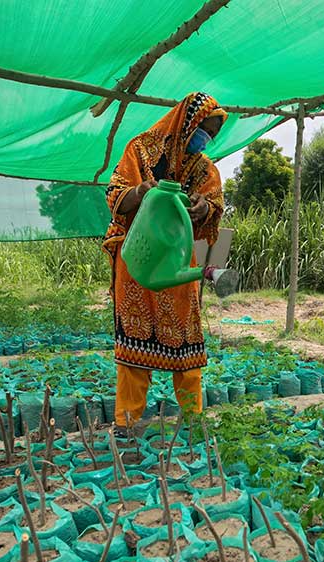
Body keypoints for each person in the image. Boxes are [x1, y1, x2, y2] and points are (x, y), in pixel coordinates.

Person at [102, 92, 227, 436]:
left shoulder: (204, 168)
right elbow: (114, 194)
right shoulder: (140, 150)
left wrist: (204, 209)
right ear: (187, 122)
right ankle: (126, 423)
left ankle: (193, 418)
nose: (207, 139)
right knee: (134, 344)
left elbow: (214, 209)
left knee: (185, 343)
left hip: (177, 265)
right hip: (139, 258)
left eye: (213, 134)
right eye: (205, 129)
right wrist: (142, 192)